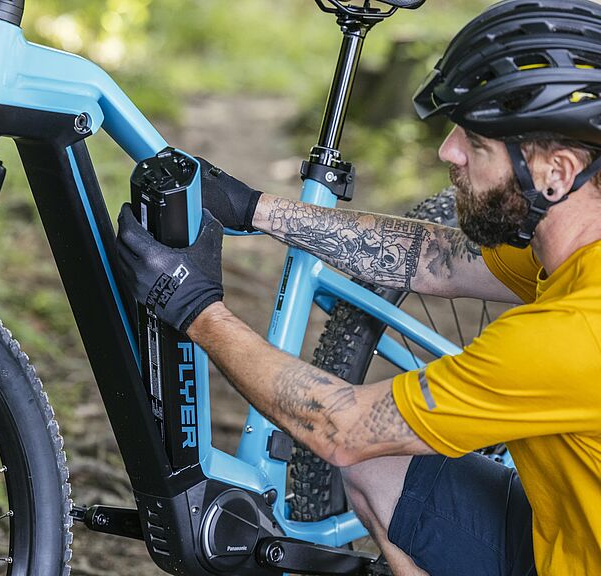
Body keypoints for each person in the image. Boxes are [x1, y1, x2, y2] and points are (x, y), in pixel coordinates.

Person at [116, 0, 601, 574]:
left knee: (363, 448)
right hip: (560, 532)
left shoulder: (572, 337)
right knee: (378, 467)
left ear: (558, 171)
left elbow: (342, 428)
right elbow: (435, 258)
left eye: (475, 142)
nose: (447, 150)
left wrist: (197, 310)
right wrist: (257, 209)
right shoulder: (573, 247)